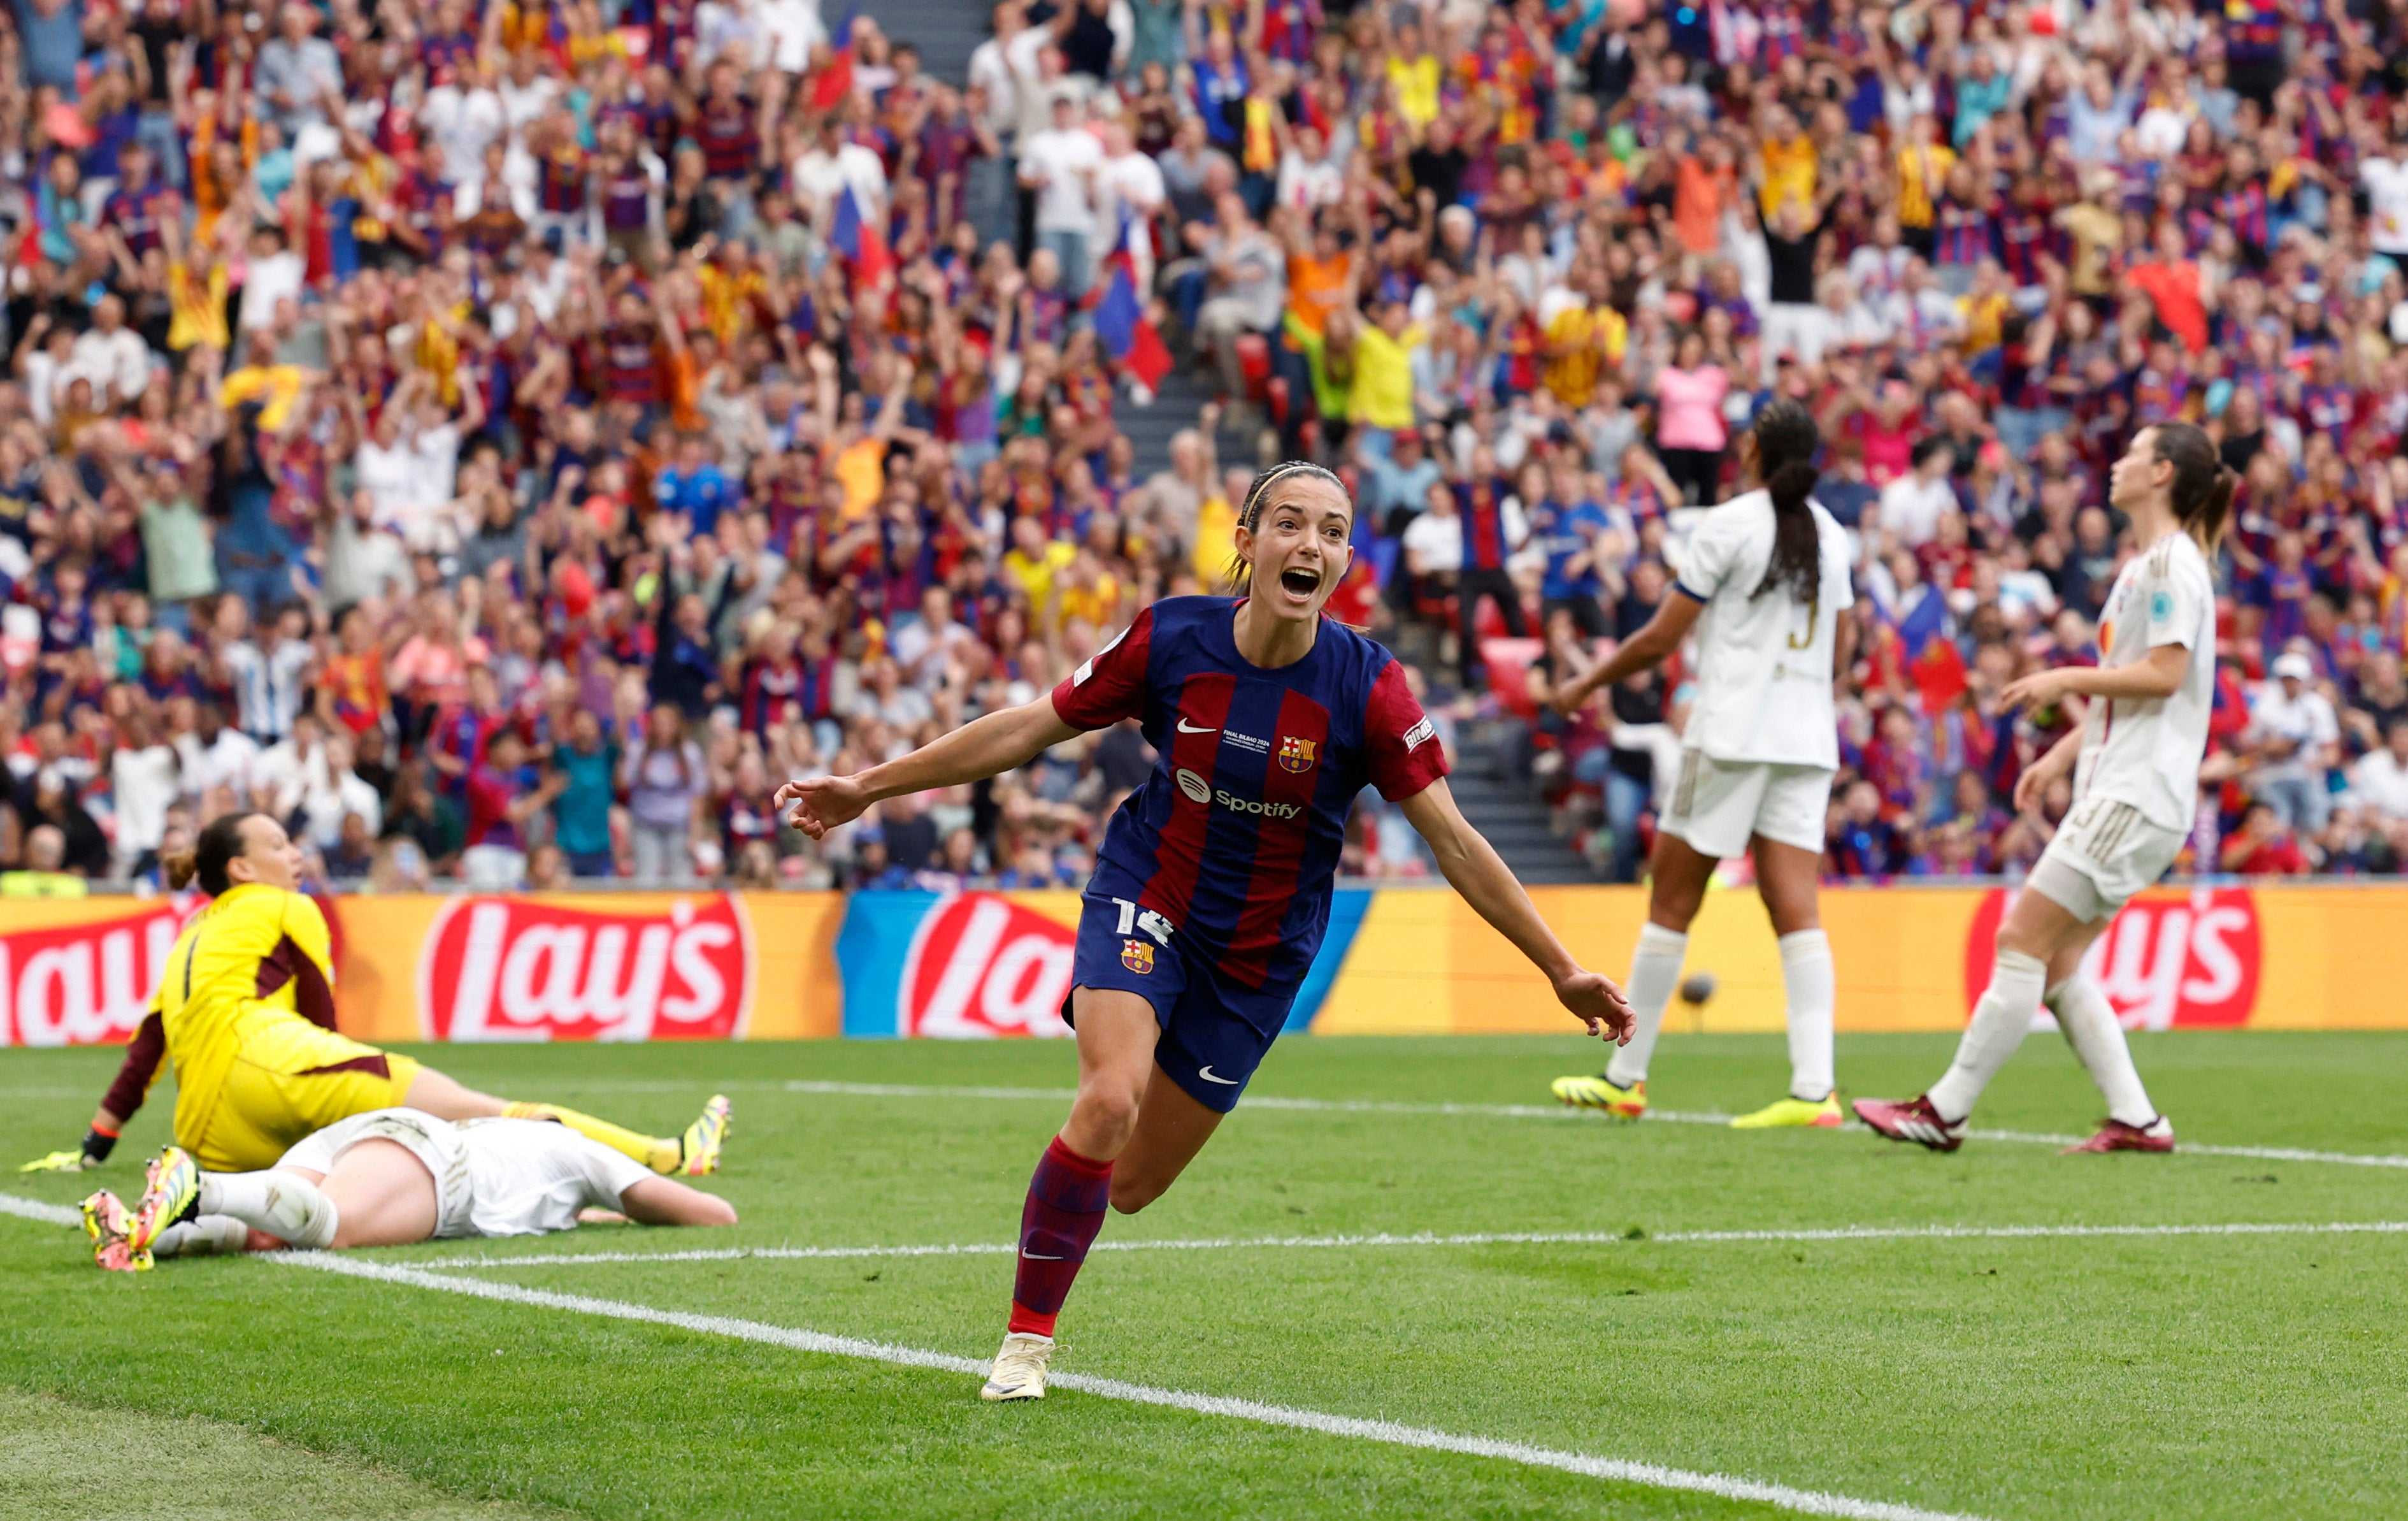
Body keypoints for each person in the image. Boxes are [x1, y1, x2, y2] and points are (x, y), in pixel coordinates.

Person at [775, 461, 1633, 1403]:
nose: (1311, 544)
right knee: (1108, 1099)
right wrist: (867, 785)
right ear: (1248, 540)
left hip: (1259, 956)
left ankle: (1062, 1207)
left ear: (1346, 558)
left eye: (1333, 531)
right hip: (1150, 891)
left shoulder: (1369, 687)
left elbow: (1459, 845)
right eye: (1291, 524)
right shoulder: (1171, 638)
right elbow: (1026, 729)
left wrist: (1561, 968)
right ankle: (1024, 1347)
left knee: (1132, 1183)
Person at [1854, 424, 2234, 1154]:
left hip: (2135, 795)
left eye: (2132, 452)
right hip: (2126, 787)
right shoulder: (2148, 565)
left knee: (2020, 938)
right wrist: (2065, 752)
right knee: (2057, 963)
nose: (2117, 461)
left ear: (2159, 473)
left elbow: (2164, 674)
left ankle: (1945, 1110)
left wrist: (2065, 678)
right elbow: (2136, 697)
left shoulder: (2172, 567)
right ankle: (2140, 1120)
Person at [18, 812, 730, 1186]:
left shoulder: (189, 936)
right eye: (277, 841)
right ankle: (667, 1155)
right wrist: (369, 1084)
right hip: (273, 1066)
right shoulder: (282, 903)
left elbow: (146, 1050)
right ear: (242, 867)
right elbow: (325, 1019)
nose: (294, 851)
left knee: (326, 1191)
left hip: (205, 1131)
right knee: (486, 1114)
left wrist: (94, 1146)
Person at [1543, 400, 1856, 1128]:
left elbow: (1659, 639)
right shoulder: (1833, 535)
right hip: (1807, 739)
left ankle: (1627, 1074)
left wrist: (1585, 682)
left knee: (1673, 901)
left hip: (1731, 733)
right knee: (1797, 911)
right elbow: (1844, 650)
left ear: (1751, 449)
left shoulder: (1732, 524)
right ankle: (1815, 1091)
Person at [82, 1107, 737, 1272]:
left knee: (268, 1233)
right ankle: (200, 1185)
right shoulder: (580, 1149)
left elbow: (573, 1210)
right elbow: (712, 1213)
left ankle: (145, 1234)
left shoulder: (538, 1157)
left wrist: (600, 1214)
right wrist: (631, 1195)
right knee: (332, 1227)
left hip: (373, 1136)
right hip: (440, 1163)